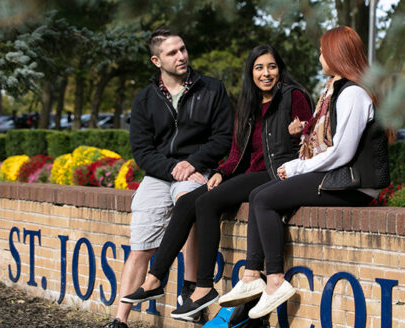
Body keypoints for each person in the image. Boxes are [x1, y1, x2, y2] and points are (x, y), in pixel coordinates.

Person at [121, 44, 313, 320]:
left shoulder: (293, 96)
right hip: (249, 173)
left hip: (277, 172)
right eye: (259, 68)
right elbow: (237, 152)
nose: (266, 73)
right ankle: (155, 279)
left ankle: (202, 287)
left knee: (208, 202)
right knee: (190, 200)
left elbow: (312, 138)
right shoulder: (249, 104)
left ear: (280, 69)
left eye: (271, 66)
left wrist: (299, 131)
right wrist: (222, 172)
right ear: (251, 73)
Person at [218, 26, 387, 319]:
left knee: (264, 199)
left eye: (323, 50)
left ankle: (274, 282)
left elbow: (342, 152)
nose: (319, 56)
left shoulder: (353, 94)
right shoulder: (336, 91)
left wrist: (299, 167)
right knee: (259, 193)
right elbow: (329, 145)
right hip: (339, 178)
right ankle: (251, 277)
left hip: (353, 185)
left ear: (336, 54)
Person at [106, 26, 233, 328]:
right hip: (158, 175)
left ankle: (189, 294)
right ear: (156, 61)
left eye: (183, 49)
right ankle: (120, 319)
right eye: (172, 53)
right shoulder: (144, 99)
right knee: (140, 242)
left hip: (195, 169)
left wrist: (193, 163)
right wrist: (171, 168)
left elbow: (223, 137)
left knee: (190, 201)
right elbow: (142, 150)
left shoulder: (212, 89)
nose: (181, 56)